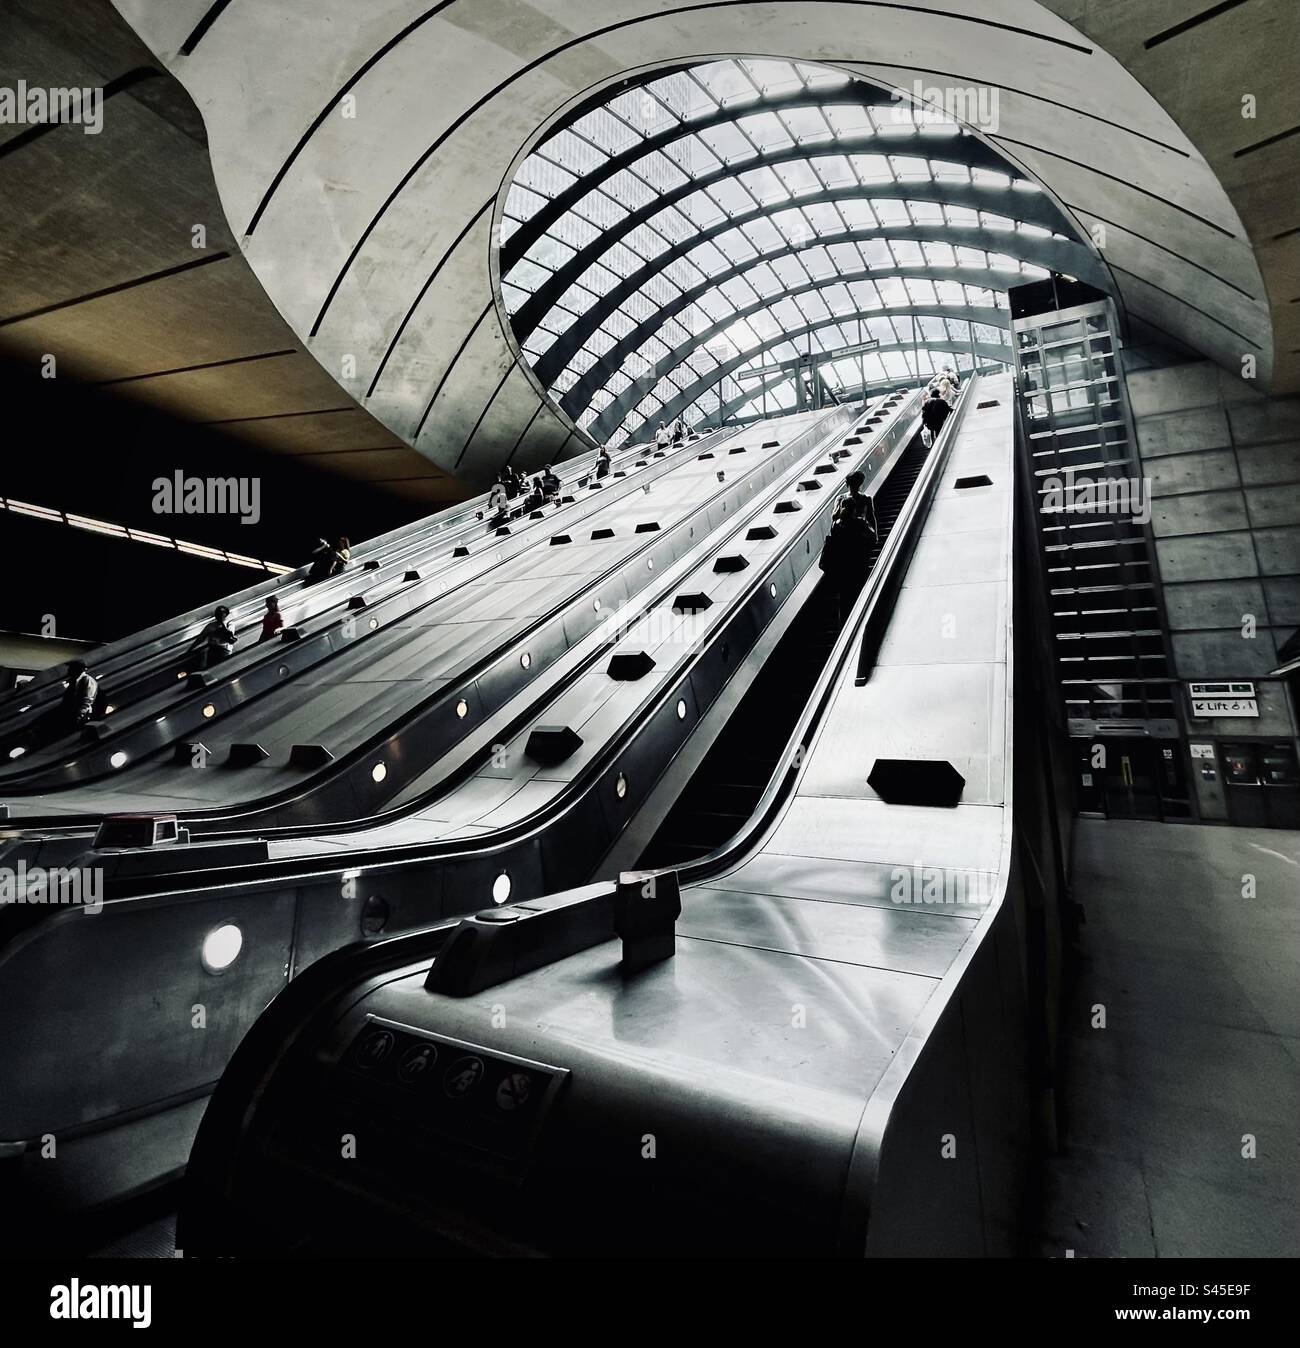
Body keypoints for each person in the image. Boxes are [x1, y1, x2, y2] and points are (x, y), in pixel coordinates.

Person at [818, 471, 878, 623]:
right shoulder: (842, 499)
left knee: (847, 591)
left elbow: (871, 518)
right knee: (852, 589)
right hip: (851, 550)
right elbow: (835, 518)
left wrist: (874, 535)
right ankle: (854, 620)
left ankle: (850, 621)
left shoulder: (865, 499)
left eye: (855, 484)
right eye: (853, 484)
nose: (854, 487)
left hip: (852, 551)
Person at [192, 605, 237, 670]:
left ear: (226, 614)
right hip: (212, 650)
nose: (220, 615)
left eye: (222, 613)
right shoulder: (211, 626)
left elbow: (228, 639)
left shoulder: (230, 624)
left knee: (221, 669)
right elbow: (200, 639)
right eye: (218, 613)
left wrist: (223, 624)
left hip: (224, 651)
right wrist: (189, 650)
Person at [60, 660, 99, 732]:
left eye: (72, 668)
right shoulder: (74, 680)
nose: (69, 670)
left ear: (80, 669)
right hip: (71, 715)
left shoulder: (87, 680)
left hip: (79, 717)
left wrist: (77, 718)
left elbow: (86, 701)